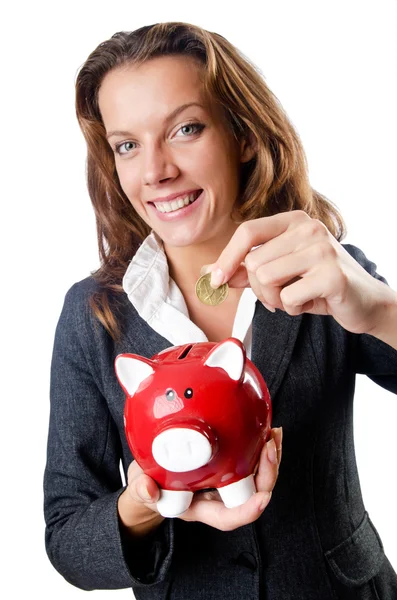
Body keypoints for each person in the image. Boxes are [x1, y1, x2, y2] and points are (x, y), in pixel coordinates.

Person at [43, 21, 397, 600]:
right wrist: (145, 501)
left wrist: (379, 308)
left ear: (245, 136)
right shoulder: (94, 314)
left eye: (185, 128)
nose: (155, 170)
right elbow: (67, 541)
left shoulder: (329, 276)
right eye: (127, 144)